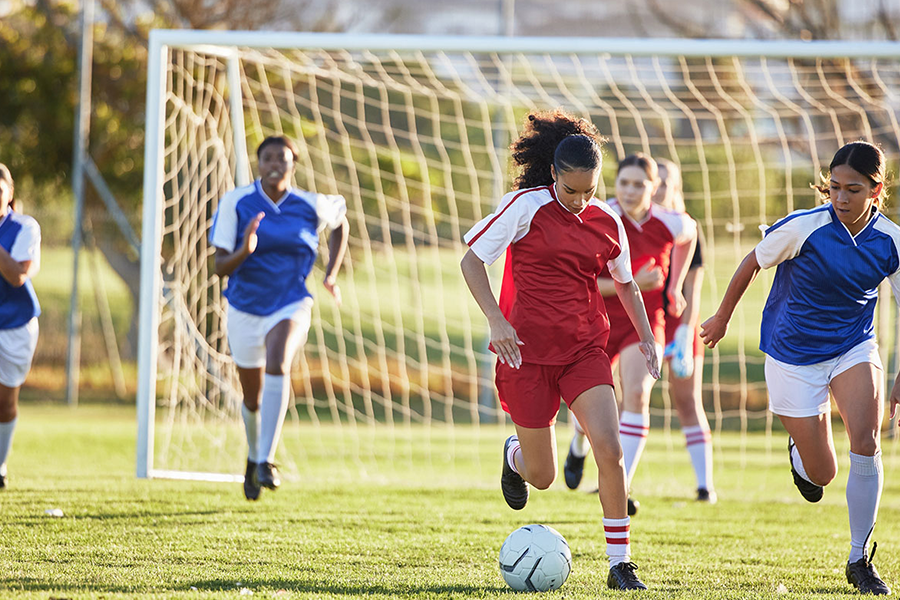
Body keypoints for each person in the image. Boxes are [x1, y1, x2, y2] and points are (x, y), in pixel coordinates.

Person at [460, 110, 660, 591]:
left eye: (589, 191)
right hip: (524, 355)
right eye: (571, 190)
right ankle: (514, 458)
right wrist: (496, 318)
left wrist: (648, 338)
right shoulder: (523, 207)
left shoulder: (607, 221)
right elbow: (471, 261)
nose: (580, 200)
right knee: (544, 476)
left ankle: (620, 563)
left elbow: (627, 285)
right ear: (553, 174)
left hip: (583, 351)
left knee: (609, 449)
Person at [700, 141, 898, 595]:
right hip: (791, 355)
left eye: (853, 189)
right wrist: (722, 317)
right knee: (823, 473)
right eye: (834, 188)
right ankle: (801, 453)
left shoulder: (892, 241)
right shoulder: (803, 227)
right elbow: (753, 261)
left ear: (876, 190)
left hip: (853, 346)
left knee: (866, 442)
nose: (842, 197)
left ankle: (859, 559)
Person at [209, 135, 349, 501]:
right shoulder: (236, 202)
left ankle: (267, 461)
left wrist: (330, 273)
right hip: (244, 307)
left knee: (279, 361)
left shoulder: (309, 204)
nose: (275, 163)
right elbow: (219, 265)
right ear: (258, 163)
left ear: (293, 164)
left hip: (291, 303)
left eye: (282, 158)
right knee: (252, 398)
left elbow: (341, 222)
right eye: (267, 157)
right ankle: (253, 458)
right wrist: (245, 249)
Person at [563, 154, 697, 515]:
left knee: (636, 393)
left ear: (654, 188)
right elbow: (582, 280)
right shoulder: (598, 216)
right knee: (587, 406)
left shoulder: (669, 222)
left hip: (644, 319)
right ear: (615, 184)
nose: (630, 190)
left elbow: (691, 234)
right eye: (624, 182)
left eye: (640, 184)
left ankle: (621, 485)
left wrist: (675, 286)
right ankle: (578, 442)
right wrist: (633, 282)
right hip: (597, 319)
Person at [653, 158, 715, 503]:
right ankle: (615, 475)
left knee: (687, 400)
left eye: (666, 182)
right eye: (655, 181)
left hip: (679, 325)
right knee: (623, 397)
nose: (659, 188)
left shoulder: (688, 229)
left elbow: (694, 288)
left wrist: (685, 332)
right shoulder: (634, 224)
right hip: (641, 322)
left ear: (675, 186)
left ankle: (705, 485)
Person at [0, 163, 41, 490]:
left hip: (14, 325)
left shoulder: (25, 227)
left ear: (10, 194)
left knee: (5, 402)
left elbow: (16, 275)